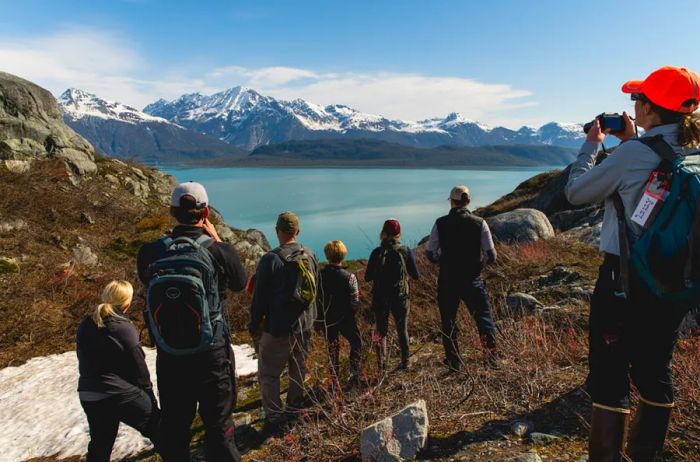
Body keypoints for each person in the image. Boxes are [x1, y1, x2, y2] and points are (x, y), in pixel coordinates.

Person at [565, 66, 700, 462]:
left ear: (652, 108)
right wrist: (634, 140)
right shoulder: (693, 152)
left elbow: (576, 192)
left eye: (637, 99)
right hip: (677, 283)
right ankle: (646, 455)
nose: (633, 106)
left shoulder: (633, 153)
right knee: (655, 368)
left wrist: (592, 145)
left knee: (609, 374)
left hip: (623, 280)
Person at [137, 181, 247, 462]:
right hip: (212, 354)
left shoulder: (150, 252)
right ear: (206, 212)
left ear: (172, 212)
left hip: (171, 353)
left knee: (175, 426)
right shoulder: (218, 251)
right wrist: (219, 244)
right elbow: (239, 283)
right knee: (219, 425)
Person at [77, 280, 161, 462]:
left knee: (100, 445)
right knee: (161, 432)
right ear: (127, 303)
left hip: (89, 393)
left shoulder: (86, 323)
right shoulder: (123, 327)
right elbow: (139, 367)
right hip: (119, 394)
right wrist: (149, 397)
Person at [249, 211, 319, 432]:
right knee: (298, 369)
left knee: (269, 374)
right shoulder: (309, 254)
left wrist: (254, 325)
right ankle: (294, 408)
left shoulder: (270, 259)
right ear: (297, 231)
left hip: (278, 328)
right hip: (305, 325)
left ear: (277, 230)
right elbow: (318, 290)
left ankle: (275, 417)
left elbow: (259, 298)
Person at [425, 185, 498, 371]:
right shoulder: (479, 223)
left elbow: (430, 253)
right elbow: (491, 255)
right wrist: (477, 266)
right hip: (472, 279)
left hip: (448, 280)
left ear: (452, 201)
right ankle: (491, 358)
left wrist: (443, 261)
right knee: (483, 318)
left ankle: (454, 362)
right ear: (468, 201)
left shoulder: (440, 223)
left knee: (448, 321)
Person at [365, 219, 420, 371]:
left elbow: (367, 277)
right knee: (402, 329)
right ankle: (405, 362)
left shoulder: (377, 252)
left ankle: (381, 365)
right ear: (399, 233)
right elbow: (415, 275)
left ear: (383, 233)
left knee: (381, 332)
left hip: (380, 297)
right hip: (400, 296)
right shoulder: (405, 250)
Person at [318, 240, 363, 388]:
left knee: (332, 348)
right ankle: (354, 373)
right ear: (343, 255)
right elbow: (355, 301)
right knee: (356, 343)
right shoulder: (349, 277)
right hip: (345, 318)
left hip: (327, 318)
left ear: (327, 255)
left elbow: (316, 298)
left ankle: (334, 380)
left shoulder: (320, 275)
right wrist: (351, 314)